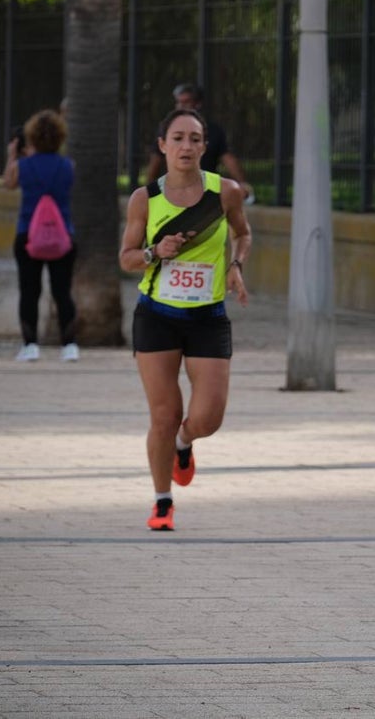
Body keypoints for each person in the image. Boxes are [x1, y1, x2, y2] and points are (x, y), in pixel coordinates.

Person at [119, 108, 252, 531]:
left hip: (208, 318)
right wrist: (156, 253)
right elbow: (126, 258)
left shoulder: (225, 192)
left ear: (204, 147)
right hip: (157, 315)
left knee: (208, 417)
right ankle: (162, 502)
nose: (186, 146)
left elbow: (243, 233)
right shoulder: (145, 199)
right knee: (164, 412)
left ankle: (183, 443)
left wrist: (236, 265)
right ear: (163, 145)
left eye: (195, 139)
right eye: (178, 138)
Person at [3, 109, 78, 362]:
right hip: (63, 236)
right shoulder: (68, 166)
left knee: (29, 290)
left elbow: (9, 184)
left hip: (28, 235)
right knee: (62, 291)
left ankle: (30, 345)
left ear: (30, 137)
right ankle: (69, 346)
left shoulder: (22, 166)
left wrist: (13, 155)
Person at [144, 84, 254, 202]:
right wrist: (149, 192)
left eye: (195, 139)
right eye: (178, 138)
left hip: (205, 193)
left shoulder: (213, 131)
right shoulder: (167, 130)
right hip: (175, 191)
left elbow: (228, 158)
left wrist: (242, 183)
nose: (181, 106)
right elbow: (155, 162)